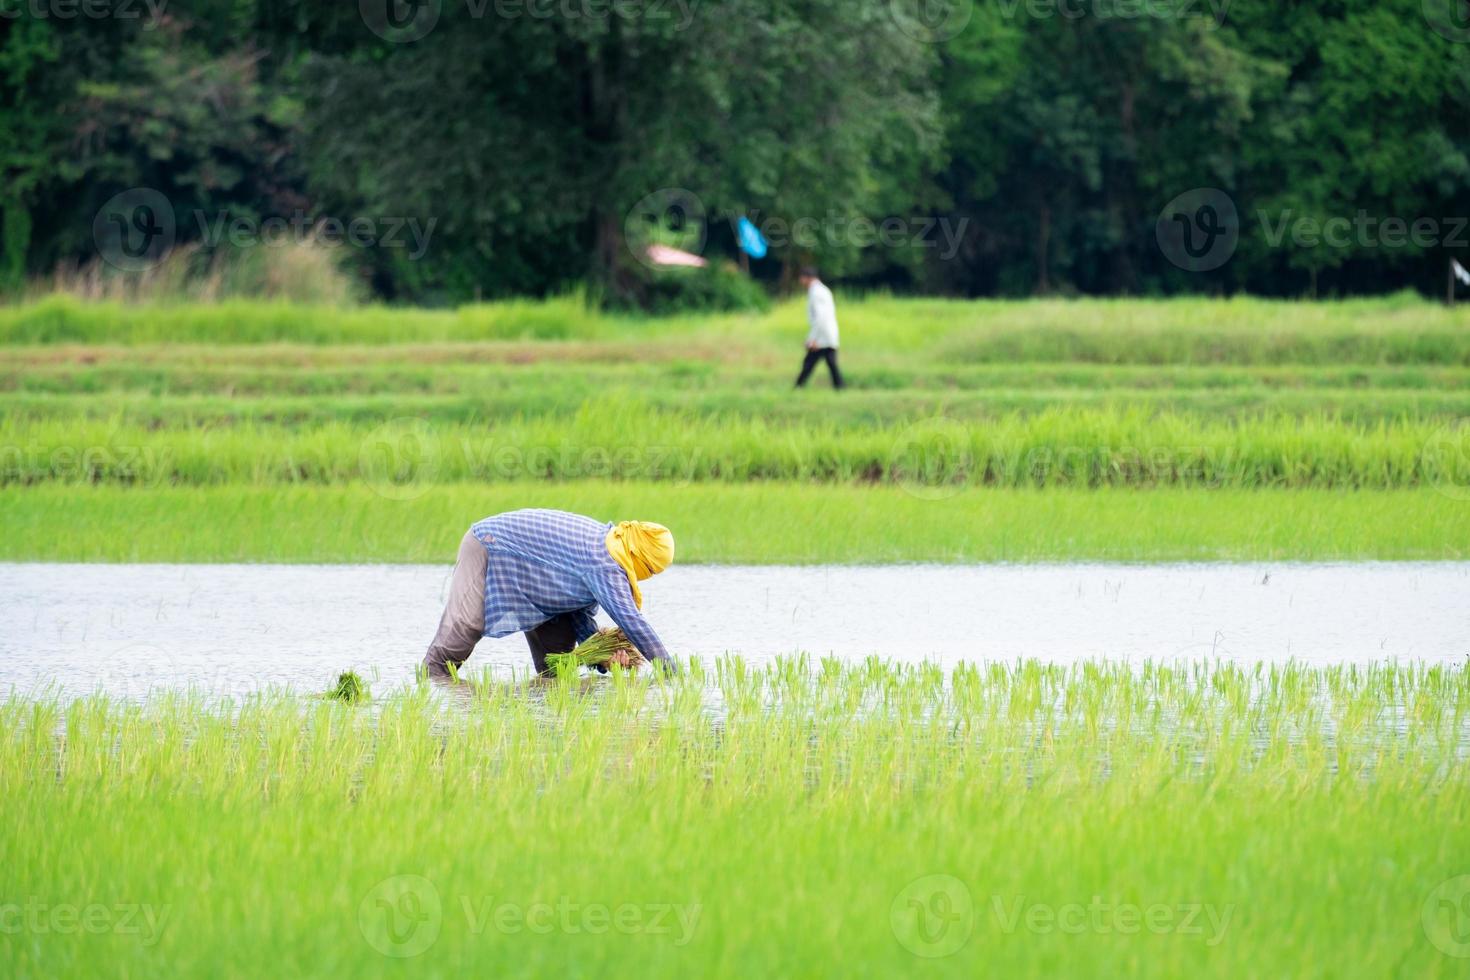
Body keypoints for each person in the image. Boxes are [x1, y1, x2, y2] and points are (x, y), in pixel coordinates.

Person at [422, 508, 676, 678]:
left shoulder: (605, 550)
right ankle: (427, 690)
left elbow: (580, 618)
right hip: (490, 546)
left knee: (555, 669)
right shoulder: (605, 561)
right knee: (464, 628)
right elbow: (632, 623)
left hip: (536, 580)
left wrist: (603, 659)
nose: (648, 576)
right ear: (639, 554)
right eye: (652, 570)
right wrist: (673, 675)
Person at [794, 266, 844, 389]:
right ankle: (840, 387)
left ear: (806, 278)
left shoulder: (816, 292)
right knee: (830, 363)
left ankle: (798, 387)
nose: (800, 281)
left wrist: (813, 339)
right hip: (827, 333)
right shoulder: (821, 290)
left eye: (801, 278)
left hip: (823, 334)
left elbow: (820, 317)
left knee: (809, 362)